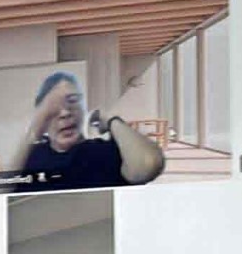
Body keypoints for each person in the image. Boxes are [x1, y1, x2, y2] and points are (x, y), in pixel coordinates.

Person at [11, 72, 164, 193]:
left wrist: (111, 120)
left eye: (72, 101)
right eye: (53, 106)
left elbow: (148, 165)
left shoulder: (105, 151)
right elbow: (3, 192)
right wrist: (32, 133)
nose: (65, 113)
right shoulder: (31, 157)